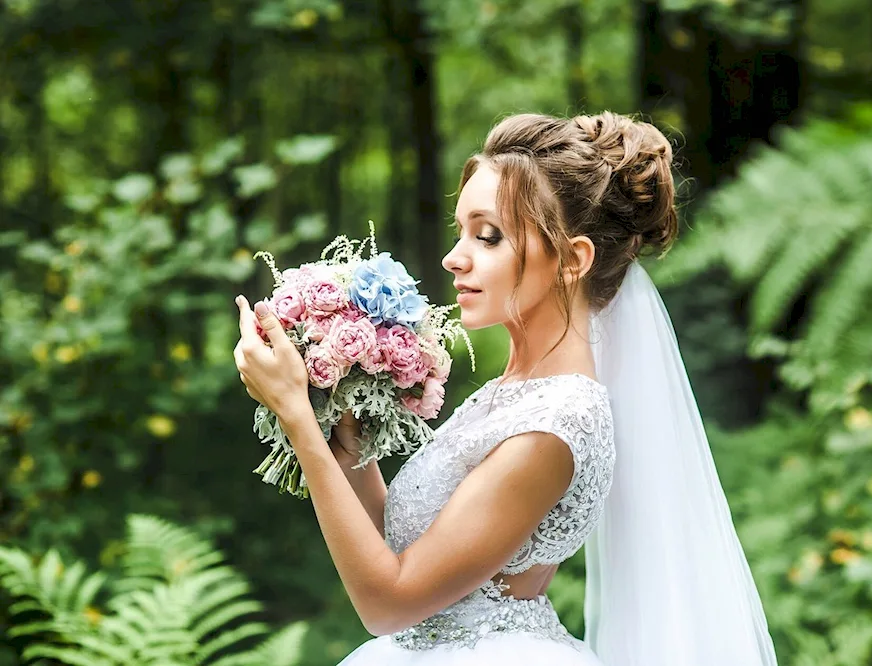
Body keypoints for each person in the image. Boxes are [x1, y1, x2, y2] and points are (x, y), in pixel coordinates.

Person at [233, 111, 779, 665]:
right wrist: (340, 419)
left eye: (488, 236)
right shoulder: (515, 392)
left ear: (572, 259)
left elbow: (389, 604)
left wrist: (297, 417)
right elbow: (398, 551)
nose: (455, 257)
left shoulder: (554, 425)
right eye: (461, 231)